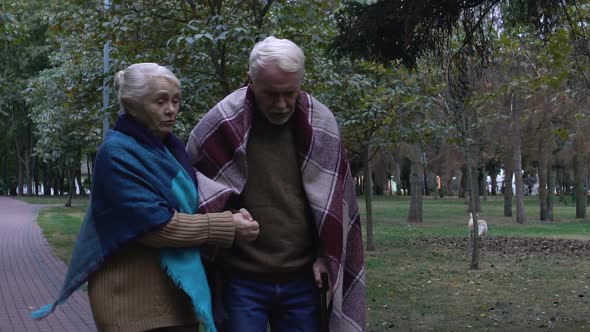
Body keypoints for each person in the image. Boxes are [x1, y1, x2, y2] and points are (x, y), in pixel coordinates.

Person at [31, 63, 259, 332]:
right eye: (160, 101)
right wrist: (227, 225)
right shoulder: (117, 154)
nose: (171, 109)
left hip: (174, 300)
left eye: (175, 100)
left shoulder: (168, 150)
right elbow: (155, 227)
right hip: (131, 307)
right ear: (132, 104)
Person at [186, 37, 366, 332]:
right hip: (241, 279)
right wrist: (224, 222)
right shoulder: (221, 123)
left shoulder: (320, 123)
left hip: (303, 279)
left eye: (290, 93)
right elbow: (191, 191)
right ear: (251, 83)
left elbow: (335, 204)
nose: (282, 104)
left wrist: (326, 254)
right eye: (271, 94)